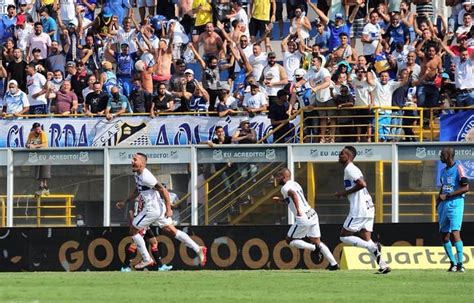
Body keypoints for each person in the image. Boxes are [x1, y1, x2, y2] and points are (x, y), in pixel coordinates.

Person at [116, 153, 207, 269]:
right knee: (173, 231)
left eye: (135, 159)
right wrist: (125, 201)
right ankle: (198, 248)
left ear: (143, 163)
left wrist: (169, 208)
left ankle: (146, 258)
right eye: (132, 159)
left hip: (151, 209)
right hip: (158, 209)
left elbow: (163, 190)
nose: (132, 161)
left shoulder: (146, 176)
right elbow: (138, 190)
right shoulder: (137, 175)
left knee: (133, 231)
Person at [335, 146, 391, 274]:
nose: (339, 155)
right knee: (366, 238)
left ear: (348, 156)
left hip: (359, 208)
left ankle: (373, 247)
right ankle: (383, 265)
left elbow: (362, 184)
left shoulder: (350, 169)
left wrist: (343, 193)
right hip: (368, 207)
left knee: (343, 237)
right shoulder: (352, 169)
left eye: (342, 154)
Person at [273, 168, 339, 270]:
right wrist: (281, 201)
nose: (276, 179)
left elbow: (294, 195)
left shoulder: (285, 188)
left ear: (283, 177)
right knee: (317, 241)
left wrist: (298, 210)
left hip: (303, 217)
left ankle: (314, 248)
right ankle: (334, 264)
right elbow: (294, 197)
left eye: (278, 177)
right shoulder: (295, 184)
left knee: (289, 240)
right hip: (311, 213)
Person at [438, 147, 469, 272]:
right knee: (444, 235)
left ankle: (461, 264)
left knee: (455, 233)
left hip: (456, 203)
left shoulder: (458, 168)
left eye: (442, 154)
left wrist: (448, 195)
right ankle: (453, 263)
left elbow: (466, 188)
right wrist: (438, 202)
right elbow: (443, 188)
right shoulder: (443, 171)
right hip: (444, 205)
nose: (440, 156)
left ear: (448, 156)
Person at [26, 122, 50, 196]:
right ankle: (41, 186)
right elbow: (27, 143)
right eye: (37, 129)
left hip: (44, 154)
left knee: (44, 170)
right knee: (38, 171)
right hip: (36, 155)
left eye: (39, 128)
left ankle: (45, 187)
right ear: (34, 129)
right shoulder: (31, 134)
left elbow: (44, 144)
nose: (38, 130)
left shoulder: (42, 133)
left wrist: (34, 146)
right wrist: (28, 145)